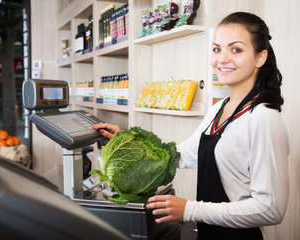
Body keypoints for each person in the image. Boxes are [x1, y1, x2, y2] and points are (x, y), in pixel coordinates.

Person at [93, 12, 289, 239]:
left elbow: (270, 208)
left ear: (260, 57)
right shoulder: (220, 109)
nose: (222, 59)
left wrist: (189, 209)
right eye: (217, 49)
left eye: (236, 49)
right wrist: (128, 141)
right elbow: (183, 155)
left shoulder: (263, 118)